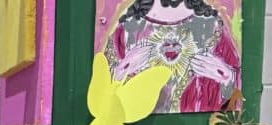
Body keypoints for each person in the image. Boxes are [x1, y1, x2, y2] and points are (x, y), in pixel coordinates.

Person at [102, 0, 239, 113]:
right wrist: (121, 72)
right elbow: (102, 94)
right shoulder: (127, 28)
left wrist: (227, 78)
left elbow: (238, 95)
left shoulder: (212, 26)